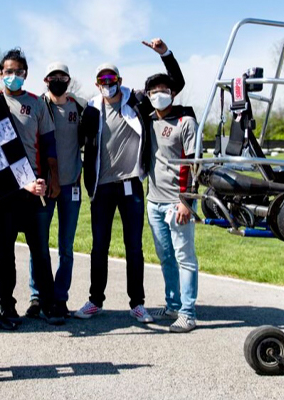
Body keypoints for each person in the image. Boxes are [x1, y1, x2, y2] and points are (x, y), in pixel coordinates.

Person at [75, 38, 185, 323]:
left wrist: (165, 54)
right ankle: (95, 300)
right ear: (97, 83)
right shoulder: (90, 109)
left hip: (131, 185)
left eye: (111, 79)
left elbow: (175, 84)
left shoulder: (135, 100)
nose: (107, 84)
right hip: (102, 187)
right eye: (103, 80)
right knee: (99, 246)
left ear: (119, 80)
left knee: (134, 247)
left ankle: (137, 303)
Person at [0, 48, 63, 327]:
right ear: (0, 74)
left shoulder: (36, 104)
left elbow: (48, 144)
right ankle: (6, 305)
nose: (13, 76)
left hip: (33, 188)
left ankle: (48, 304)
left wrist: (53, 177)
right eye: (8, 71)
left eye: (18, 72)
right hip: (4, 190)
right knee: (4, 252)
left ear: (26, 74)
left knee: (40, 250)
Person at [25, 62, 85, 319]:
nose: (58, 80)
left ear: (69, 80)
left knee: (66, 247)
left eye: (62, 77)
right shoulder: (38, 106)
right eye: (53, 77)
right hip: (46, 186)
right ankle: (37, 296)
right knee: (38, 244)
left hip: (71, 186)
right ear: (45, 80)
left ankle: (60, 297)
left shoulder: (79, 106)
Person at [143, 73, 199, 333]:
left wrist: (186, 201)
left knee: (184, 257)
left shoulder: (186, 122)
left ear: (173, 93)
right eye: (153, 90)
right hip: (154, 201)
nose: (159, 94)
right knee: (165, 257)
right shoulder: (149, 119)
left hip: (178, 202)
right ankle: (173, 305)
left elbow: (195, 164)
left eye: (163, 89)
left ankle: (188, 313)